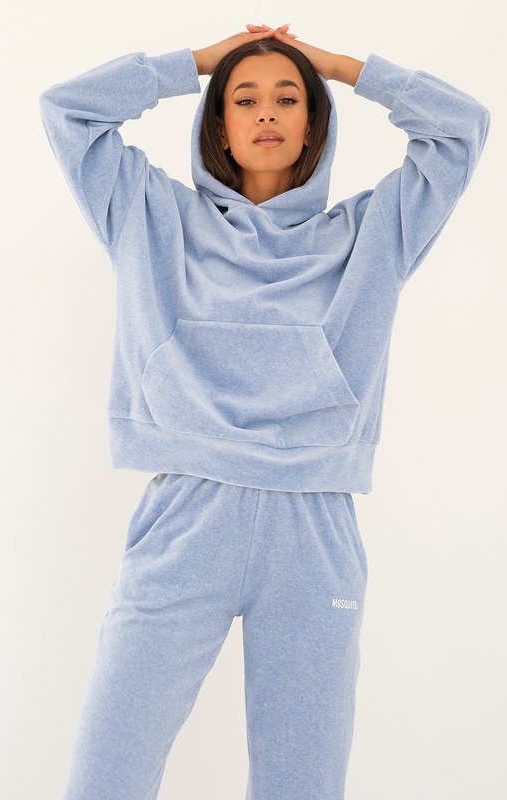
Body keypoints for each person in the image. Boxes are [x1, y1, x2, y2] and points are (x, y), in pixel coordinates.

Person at [39, 23, 490, 800]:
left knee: (302, 785)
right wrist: (198, 63)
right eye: (244, 100)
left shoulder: (371, 234)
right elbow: (67, 111)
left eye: (289, 97)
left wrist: (339, 67)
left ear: (315, 123)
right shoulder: (150, 215)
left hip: (312, 530)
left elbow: (461, 130)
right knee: (106, 775)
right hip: (186, 517)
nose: (268, 112)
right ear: (218, 125)